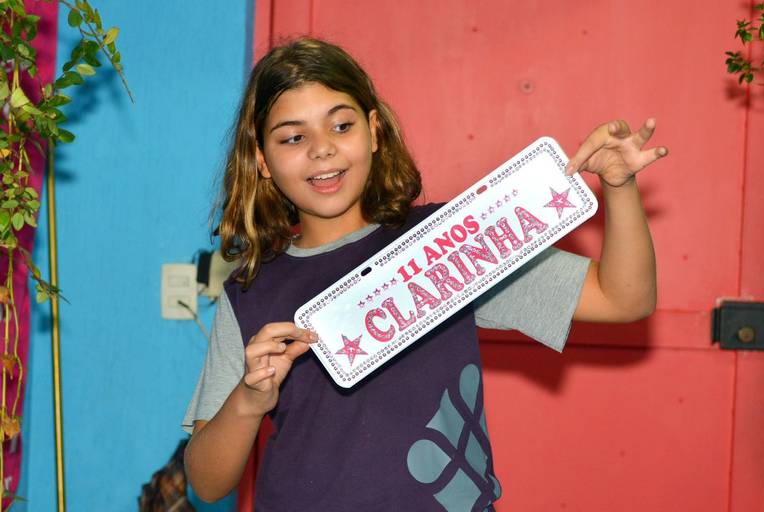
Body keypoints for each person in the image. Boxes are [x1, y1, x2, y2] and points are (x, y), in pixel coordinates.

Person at [182, 37, 667, 511]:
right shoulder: (251, 292)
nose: (322, 149)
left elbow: (624, 298)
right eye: (294, 137)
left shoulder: (449, 242)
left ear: (374, 130)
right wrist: (248, 400)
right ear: (262, 160)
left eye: (341, 125)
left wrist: (619, 187)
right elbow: (206, 483)